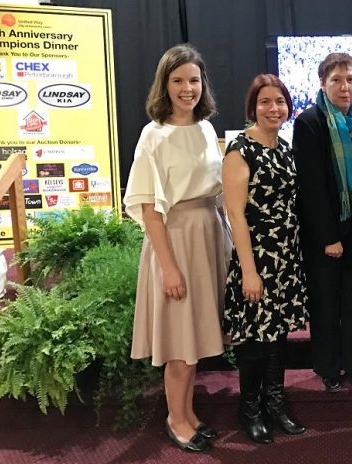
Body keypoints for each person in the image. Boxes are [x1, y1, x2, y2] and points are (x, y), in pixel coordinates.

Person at [124, 44, 226, 452]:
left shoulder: (204, 129)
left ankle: (188, 411)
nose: (188, 89)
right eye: (179, 80)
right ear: (164, 85)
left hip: (207, 236)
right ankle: (176, 418)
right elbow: (149, 209)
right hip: (175, 242)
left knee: (195, 337)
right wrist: (168, 267)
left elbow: (217, 191)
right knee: (179, 344)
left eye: (194, 80)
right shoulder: (154, 135)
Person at [223, 74, 308, 444]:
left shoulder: (285, 149)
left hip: (287, 257)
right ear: (252, 108)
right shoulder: (240, 151)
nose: (274, 109)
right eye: (265, 103)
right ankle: (250, 407)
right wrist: (249, 271)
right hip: (256, 259)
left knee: (278, 336)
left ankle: (275, 401)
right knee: (256, 339)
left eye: (280, 102)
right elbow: (235, 215)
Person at [292, 53, 352, 393]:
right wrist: (329, 236)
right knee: (326, 301)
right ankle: (328, 367)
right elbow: (311, 187)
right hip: (324, 231)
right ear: (322, 83)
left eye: (350, 79)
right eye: (336, 80)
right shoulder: (310, 122)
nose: (344, 87)